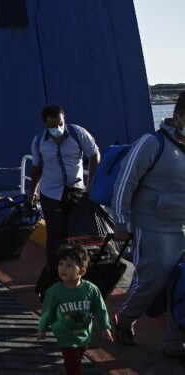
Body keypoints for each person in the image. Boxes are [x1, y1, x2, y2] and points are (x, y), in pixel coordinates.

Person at [111, 92, 185, 353]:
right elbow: (125, 182)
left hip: (181, 228)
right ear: (178, 116)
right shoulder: (152, 143)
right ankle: (126, 319)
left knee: (182, 285)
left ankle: (175, 343)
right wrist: (121, 222)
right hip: (153, 225)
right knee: (151, 280)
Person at [29, 105, 100, 262]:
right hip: (51, 194)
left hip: (77, 191)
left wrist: (90, 185)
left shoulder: (78, 133)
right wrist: (32, 192)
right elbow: (36, 169)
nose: (58, 128)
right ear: (45, 125)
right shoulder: (39, 141)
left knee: (78, 233)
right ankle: (55, 271)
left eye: (60, 123)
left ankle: (77, 271)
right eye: (53, 126)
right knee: (55, 235)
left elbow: (94, 154)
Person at [37, 245, 113, 375]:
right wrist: (42, 328)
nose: (63, 268)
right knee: (75, 365)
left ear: (82, 271)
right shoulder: (54, 292)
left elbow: (100, 308)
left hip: (84, 334)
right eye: (61, 264)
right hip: (65, 336)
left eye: (69, 265)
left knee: (78, 355)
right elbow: (47, 312)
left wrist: (104, 326)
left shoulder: (91, 289)